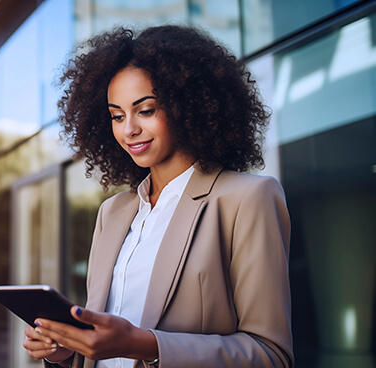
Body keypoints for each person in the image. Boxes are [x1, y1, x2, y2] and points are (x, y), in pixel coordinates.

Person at [23, 25, 293, 368]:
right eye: (116, 116)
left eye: (145, 110)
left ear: (188, 105)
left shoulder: (246, 199)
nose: (128, 129)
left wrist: (148, 346)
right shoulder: (113, 213)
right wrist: (66, 352)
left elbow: (272, 355)